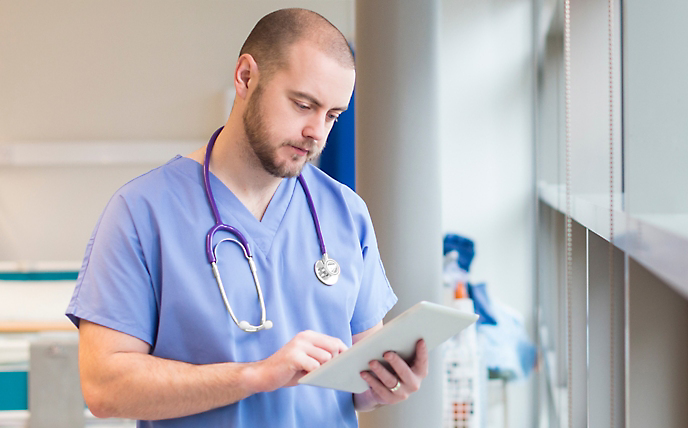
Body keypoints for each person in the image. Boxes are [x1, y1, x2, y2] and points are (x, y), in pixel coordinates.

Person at [65, 8, 427, 427]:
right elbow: (105, 389)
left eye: (332, 115)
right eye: (303, 104)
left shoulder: (346, 213)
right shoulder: (143, 212)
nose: (317, 132)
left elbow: (357, 383)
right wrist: (254, 376)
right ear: (245, 77)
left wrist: (388, 382)